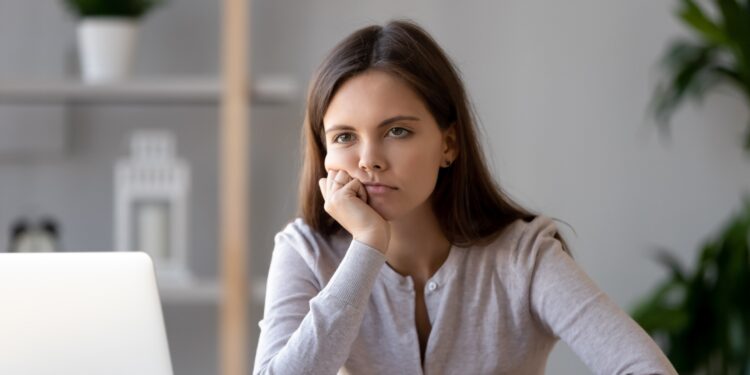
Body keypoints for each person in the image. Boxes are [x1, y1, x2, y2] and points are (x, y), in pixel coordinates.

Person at [253, 20, 677, 375]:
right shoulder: (306, 252)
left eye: (397, 131)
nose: (369, 161)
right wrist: (366, 247)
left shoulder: (523, 258)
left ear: (448, 144)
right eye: (345, 137)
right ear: (325, 153)